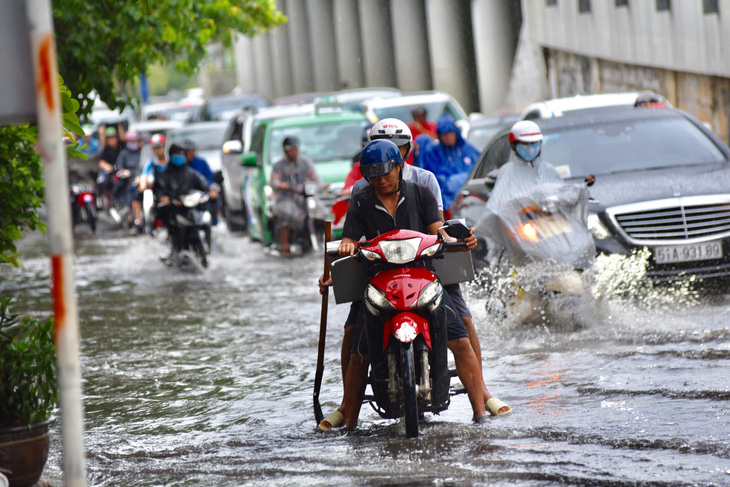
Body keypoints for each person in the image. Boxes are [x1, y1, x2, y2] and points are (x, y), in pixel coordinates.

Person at [318, 120, 510, 431]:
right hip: (378, 279)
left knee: (460, 334)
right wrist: (345, 249)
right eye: (373, 175)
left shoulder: (422, 189)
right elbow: (350, 238)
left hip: (424, 274)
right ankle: (348, 414)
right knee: (358, 345)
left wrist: (460, 239)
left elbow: (439, 231)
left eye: (386, 172)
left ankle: (480, 408)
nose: (381, 181)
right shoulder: (361, 197)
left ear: (399, 162)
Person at [269, 135, 326, 257]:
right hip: (286, 198)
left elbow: (314, 177)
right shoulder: (279, 165)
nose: (294, 152)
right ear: (286, 151)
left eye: (296, 149)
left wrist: (322, 185)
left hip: (304, 197)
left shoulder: (305, 162)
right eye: (291, 149)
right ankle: (285, 245)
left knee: (322, 212)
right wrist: (281, 184)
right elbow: (274, 180)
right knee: (286, 213)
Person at [416, 114, 481, 218]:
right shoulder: (434, 152)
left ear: (456, 133)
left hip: (472, 201)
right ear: (440, 136)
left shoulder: (468, 149)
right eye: (444, 134)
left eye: (451, 133)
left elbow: (481, 168)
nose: (448, 137)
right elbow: (432, 180)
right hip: (448, 205)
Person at [153, 143, 211, 256]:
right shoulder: (164, 175)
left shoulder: (191, 173)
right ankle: (174, 250)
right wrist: (164, 198)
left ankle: (206, 246)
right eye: (176, 154)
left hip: (190, 209)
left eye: (181, 154)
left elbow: (204, 185)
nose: (179, 157)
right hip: (173, 211)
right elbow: (159, 190)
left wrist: (210, 191)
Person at [115, 131, 144, 230]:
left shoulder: (141, 153)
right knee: (131, 195)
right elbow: (119, 166)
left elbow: (144, 165)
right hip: (129, 180)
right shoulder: (124, 154)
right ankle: (133, 217)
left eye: (134, 141)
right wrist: (123, 172)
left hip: (142, 179)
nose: (133, 143)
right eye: (131, 141)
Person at [96, 124, 126, 208]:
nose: (112, 140)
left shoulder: (121, 147)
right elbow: (101, 162)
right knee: (103, 182)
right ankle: (107, 198)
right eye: (109, 139)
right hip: (110, 172)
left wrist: (120, 125)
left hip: (120, 170)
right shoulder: (106, 150)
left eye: (113, 138)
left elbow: (123, 137)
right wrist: (107, 166)